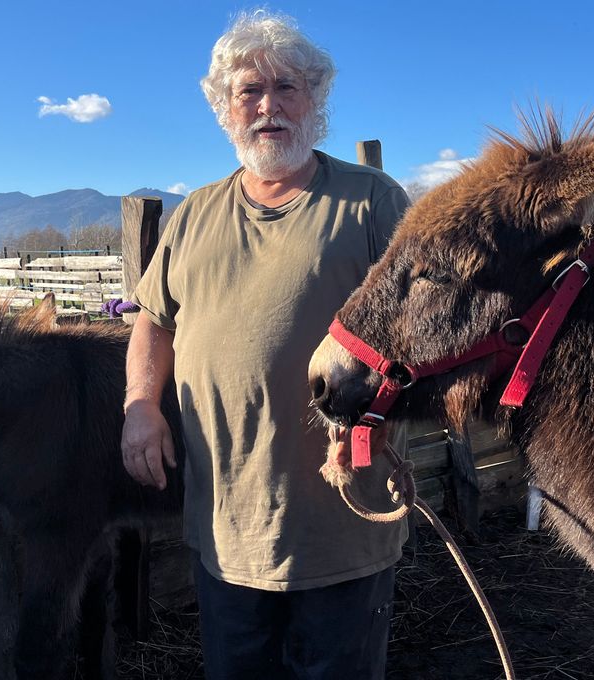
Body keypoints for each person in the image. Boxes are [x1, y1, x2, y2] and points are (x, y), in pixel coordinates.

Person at [121, 10, 410, 679]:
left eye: (287, 88)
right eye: (249, 92)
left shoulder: (371, 203)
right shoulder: (195, 214)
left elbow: (420, 330)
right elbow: (153, 321)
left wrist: (380, 411)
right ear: (225, 109)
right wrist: (141, 403)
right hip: (228, 528)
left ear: (316, 101)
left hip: (341, 521)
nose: (268, 106)